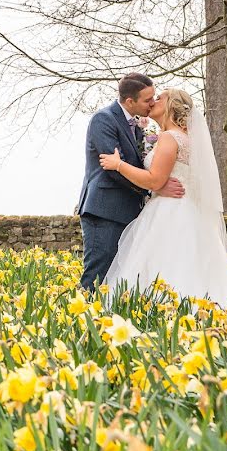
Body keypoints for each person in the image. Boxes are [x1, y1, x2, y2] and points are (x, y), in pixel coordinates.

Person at [98, 88, 227, 307]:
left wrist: (118, 165)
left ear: (172, 105)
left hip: (169, 212)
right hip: (185, 210)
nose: (153, 101)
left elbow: (154, 180)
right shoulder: (184, 138)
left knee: (165, 266)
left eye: (160, 98)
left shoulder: (170, 138)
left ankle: (166, 311)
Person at [75, 73, 184, 292]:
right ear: (129, 101)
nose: (152, 103)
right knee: (99, 274)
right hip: (105, 210)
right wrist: (156, 185)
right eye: (147, 100)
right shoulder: (103, 119)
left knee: (120, 279)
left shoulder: (136, 125)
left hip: (129, 211)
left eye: (154, 97)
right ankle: (85, 322)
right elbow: (114, 168)